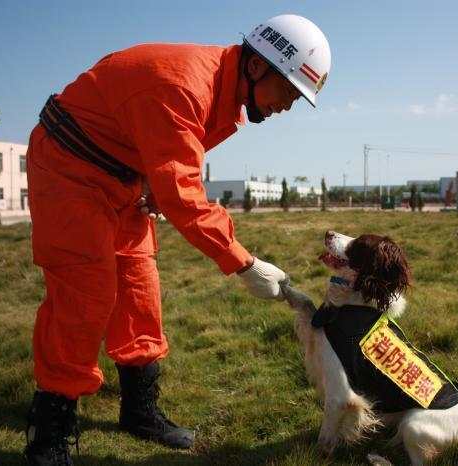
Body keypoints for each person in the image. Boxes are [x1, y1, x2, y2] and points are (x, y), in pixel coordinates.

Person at [23, 14, 331, 466]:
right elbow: (184, 195)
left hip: (121, 179)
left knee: (140, 292)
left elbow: (160, 157)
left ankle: (139, 411)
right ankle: (49, 431)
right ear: (256, 67)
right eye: (287, 91)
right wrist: (245, 264)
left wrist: (149, 181)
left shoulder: (221, 93)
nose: (287, 105)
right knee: (85, 296)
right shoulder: (185, 86)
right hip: (69, 169)